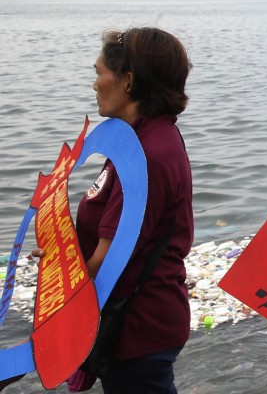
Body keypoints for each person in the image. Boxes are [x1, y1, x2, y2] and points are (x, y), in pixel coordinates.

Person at [75, 27, 194, 393]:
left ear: (127, 81)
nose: (94, 84)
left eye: (99, 73)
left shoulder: (146, 155)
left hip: (138, 326)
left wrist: (60, 275)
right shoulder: (138, 138)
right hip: (139, 320)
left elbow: (109, 259)